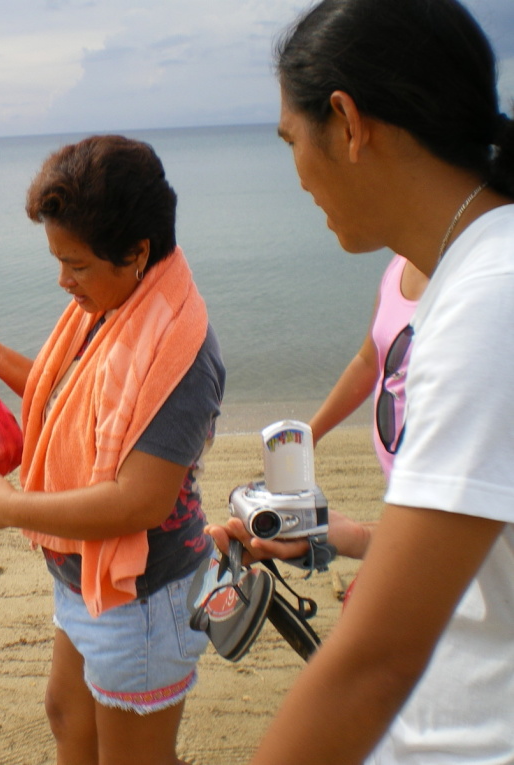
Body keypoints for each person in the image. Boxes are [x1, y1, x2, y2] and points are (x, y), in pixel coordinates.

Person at [206, 0, 514, 762]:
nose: (297, 175)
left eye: (290, 139)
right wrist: (343, 537)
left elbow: (375, 663)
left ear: (345, 121)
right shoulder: (470, 276)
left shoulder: (490, 301)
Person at [0, 135, 225, 765]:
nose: (63, 280)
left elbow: (137, 503)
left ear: (136, 252)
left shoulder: (178, 352)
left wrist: (12, 507)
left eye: (76, 264)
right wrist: (0, 362)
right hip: (82, 578)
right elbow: (78, 403)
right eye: (58, 259)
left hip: (141, 595)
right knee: (67, 714)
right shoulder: (115, 301)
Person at [309, 254, 427, 480]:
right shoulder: (399, 267)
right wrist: (311, 434)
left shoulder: (472, 280)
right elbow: (369, 361)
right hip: (399, 486)